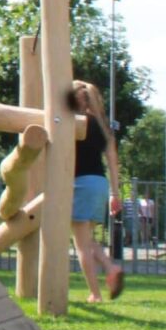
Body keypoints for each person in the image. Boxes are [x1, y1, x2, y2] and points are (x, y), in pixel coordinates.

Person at [70, 81, 126, 302]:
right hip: (99, 183)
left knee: (81, 244)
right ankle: (109, 268)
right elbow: (113, 162)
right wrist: (115, 193)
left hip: (80, 183)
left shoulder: (74, 124)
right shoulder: (104, 128)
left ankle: (96, 292)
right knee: (86, 238)